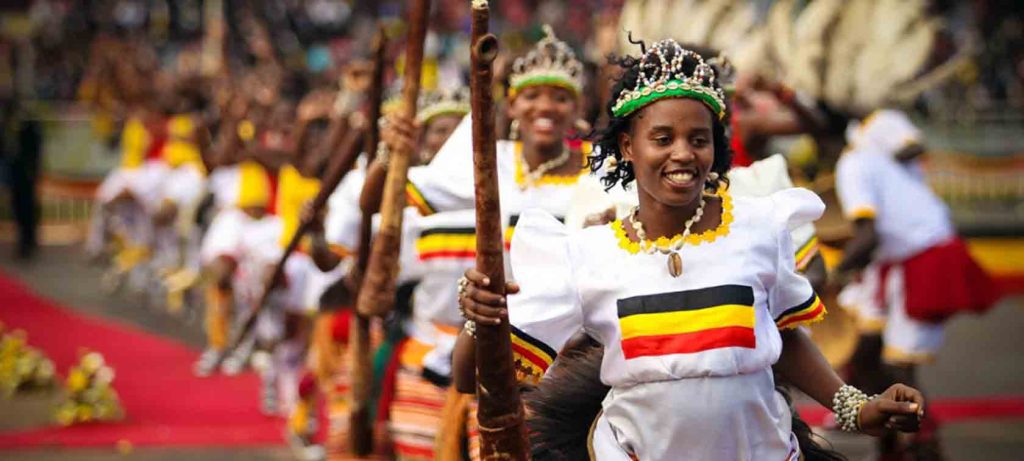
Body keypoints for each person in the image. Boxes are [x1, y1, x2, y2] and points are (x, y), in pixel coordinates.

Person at [455, 39, 925, 460]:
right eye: (662, 139)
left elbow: (781, 339)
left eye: (698, 140)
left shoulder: (759, 227)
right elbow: (469, 377)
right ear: (628, 146)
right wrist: (480, 315)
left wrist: (855, 407)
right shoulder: (586, 252)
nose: (683, 153)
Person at [833, 108, 1000, 459]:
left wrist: (830, 279)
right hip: (897, 262)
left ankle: (920, 444)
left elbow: (867, 237)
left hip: (921, 259)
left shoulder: (859, 155)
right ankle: (892, 441)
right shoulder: (869, 145)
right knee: (866, 353)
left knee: (897, 367)